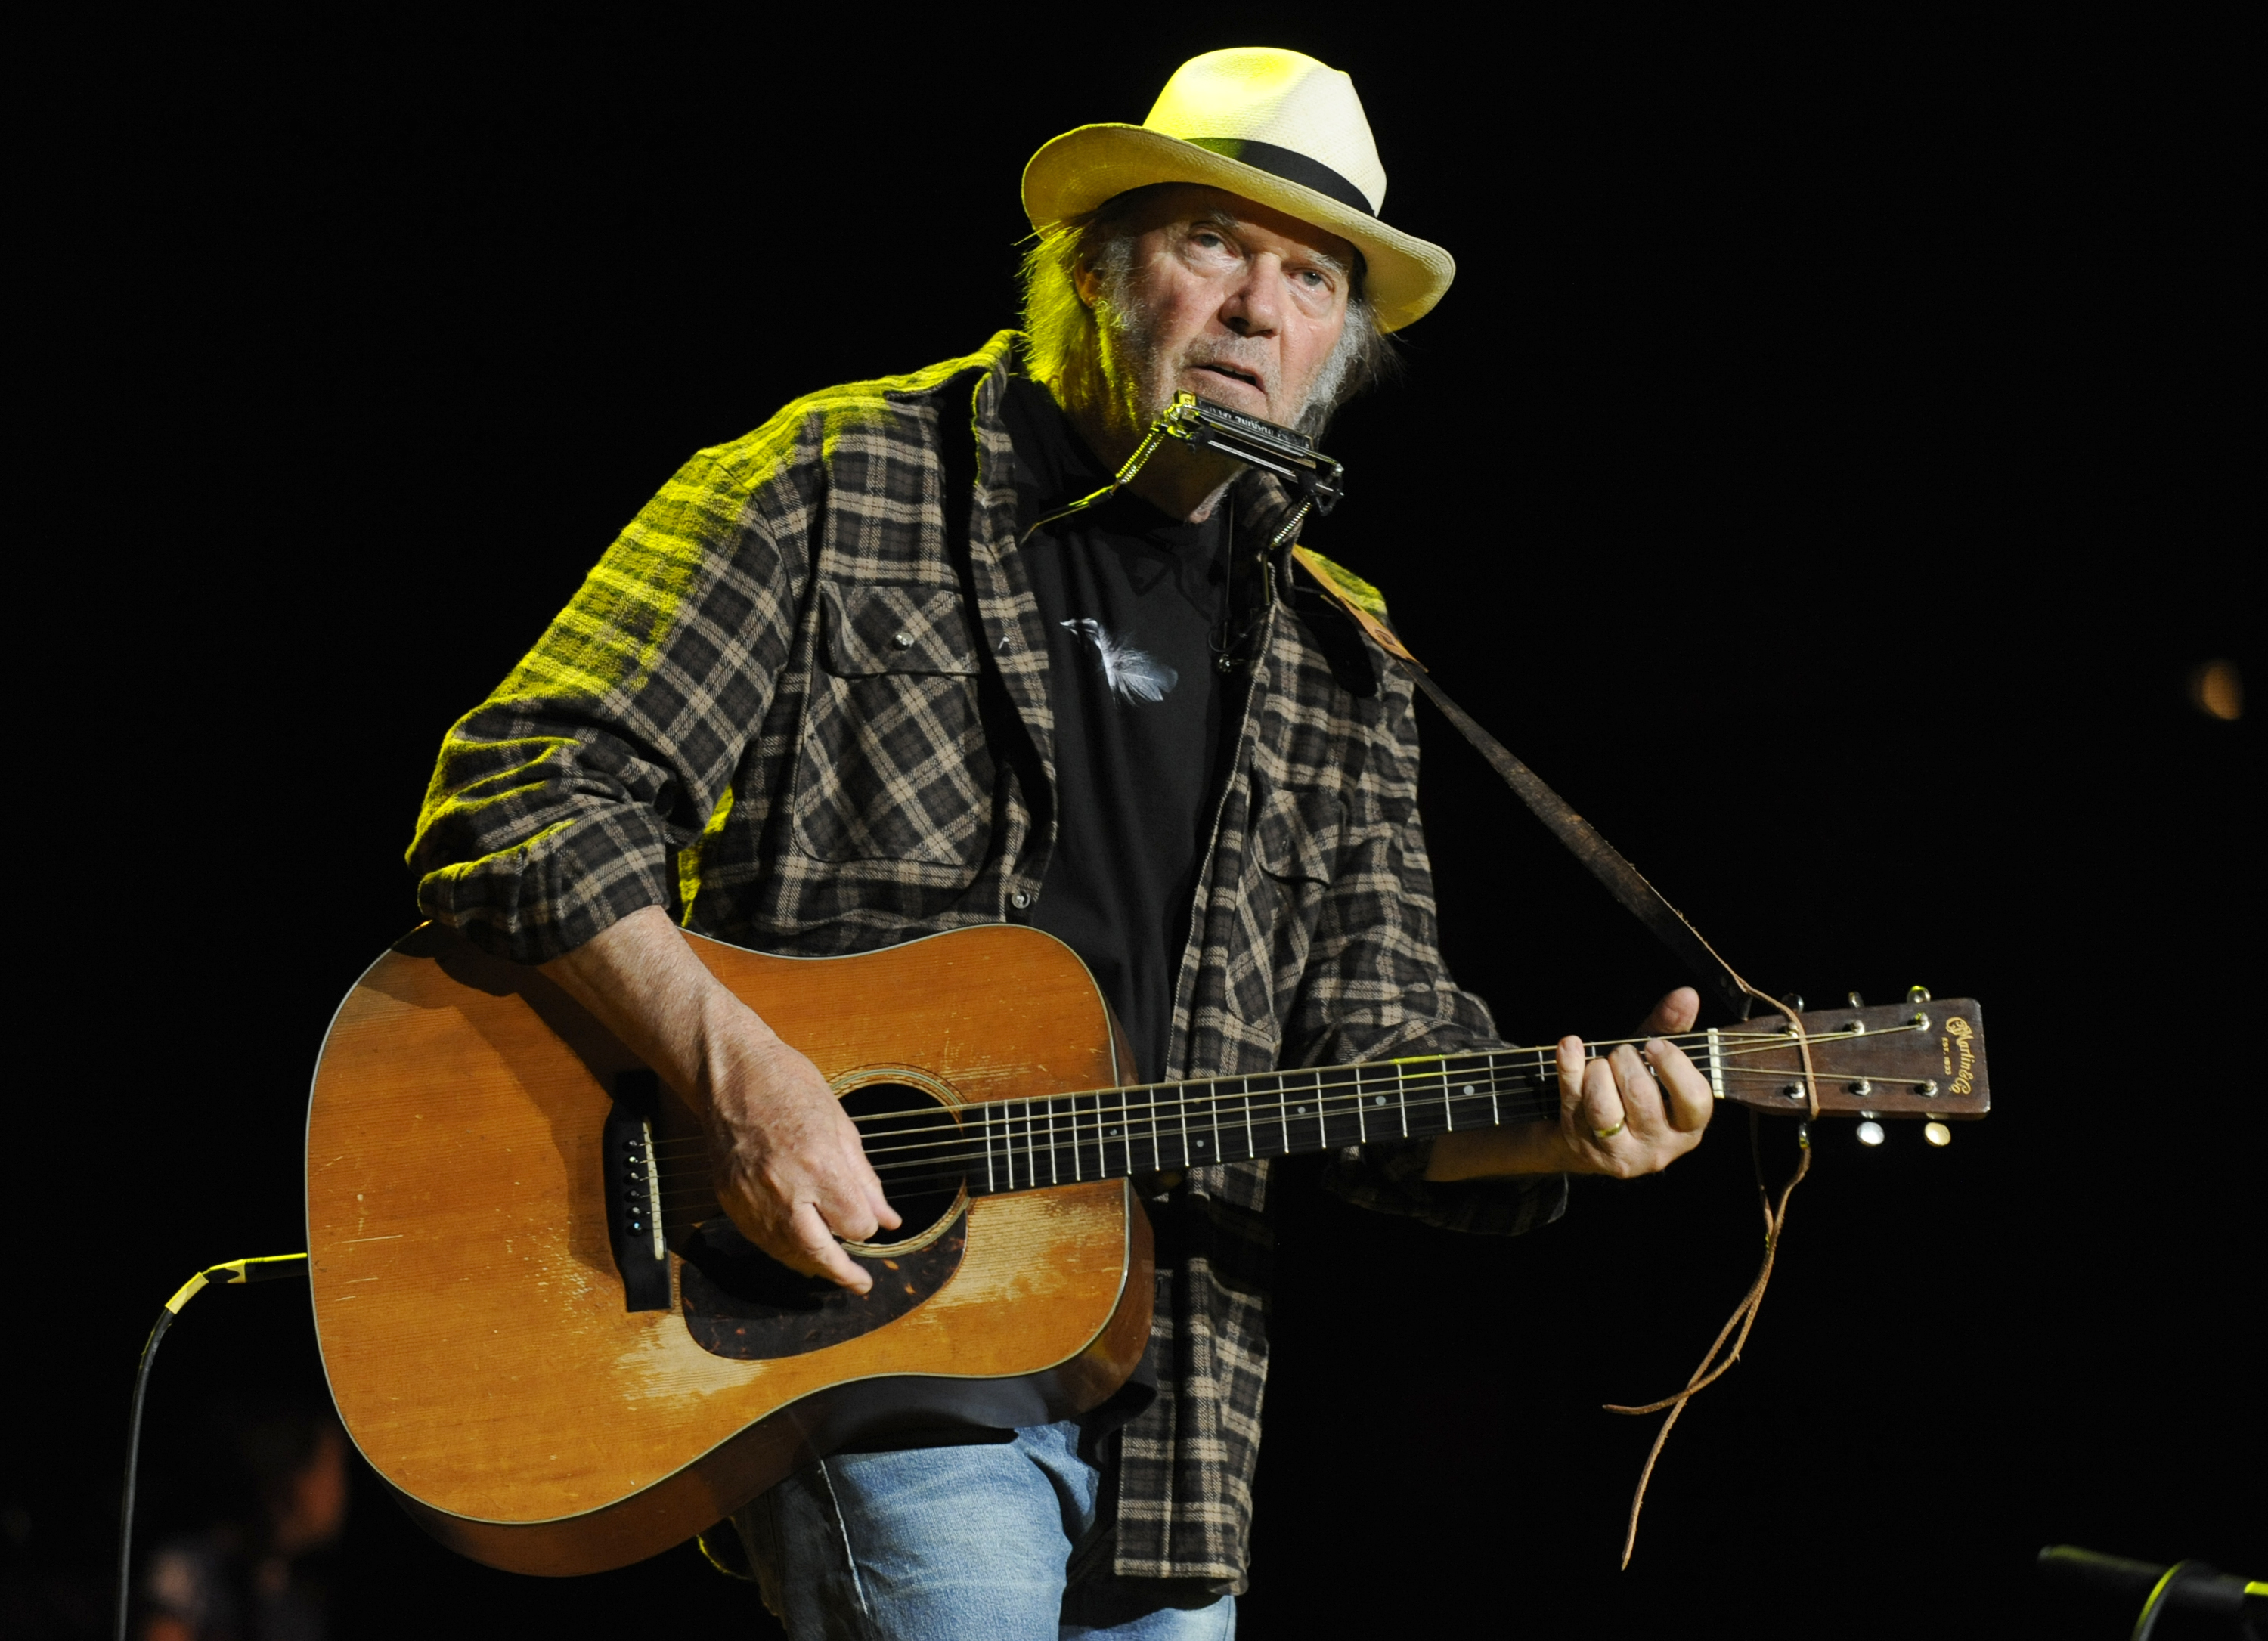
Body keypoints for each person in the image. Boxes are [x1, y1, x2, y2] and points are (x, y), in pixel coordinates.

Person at [407, 47, 1714, 1639]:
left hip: (1176, 1418)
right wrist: (739, 1078)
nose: (1258, 307)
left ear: (1332, 355)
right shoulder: (839, 480)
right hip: (851, 1338)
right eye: (1215, 245)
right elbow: (522, 793)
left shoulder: (1343, 651)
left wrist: (1565, 1127)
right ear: (1094, 273)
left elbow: (1377, 1064)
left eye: (1312, 278)